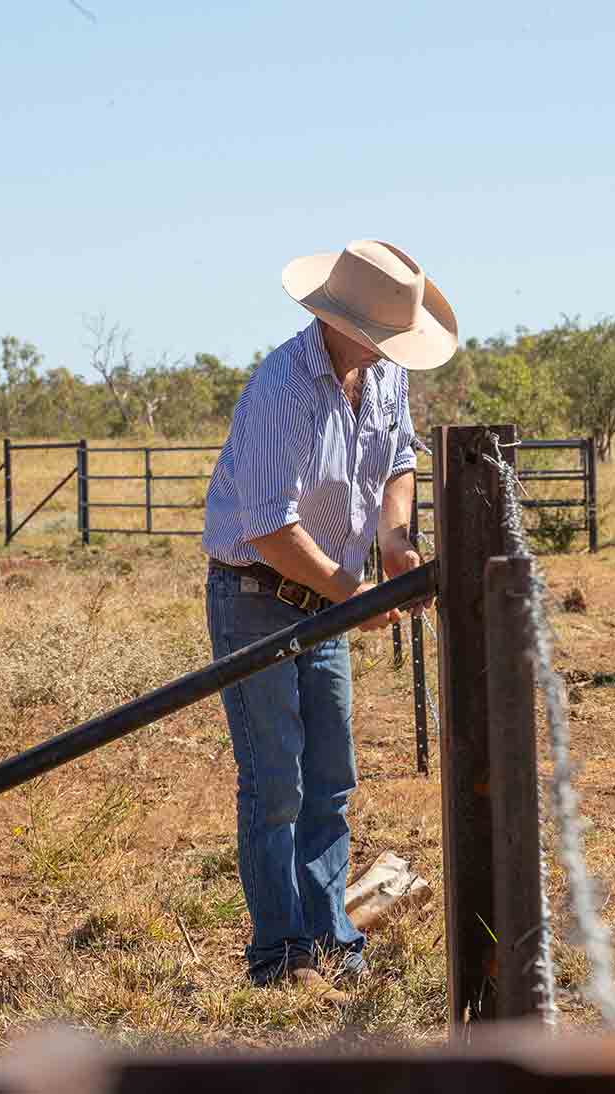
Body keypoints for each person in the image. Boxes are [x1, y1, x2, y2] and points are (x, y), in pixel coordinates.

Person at [201, 240, 457, 1001]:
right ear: (345, 322)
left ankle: (329, 938)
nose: (390, 352)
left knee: (331, 782)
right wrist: (351, 593)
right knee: (276, 782)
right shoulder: (285, 386)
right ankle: (279, 956)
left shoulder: (383, 376)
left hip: (326, 602)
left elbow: (401, 459)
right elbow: (271, 529)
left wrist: (398, 540)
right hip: (258, 597)